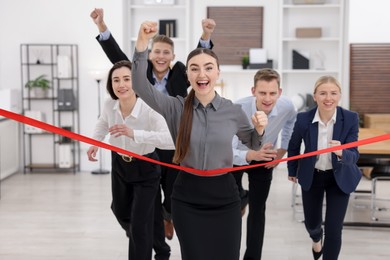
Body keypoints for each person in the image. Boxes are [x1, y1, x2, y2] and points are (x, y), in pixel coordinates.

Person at [131, 21, 268, 260]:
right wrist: (142, 43)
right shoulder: (175, 107)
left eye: (208, 68)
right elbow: (140, 85)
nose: (201, 74)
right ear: (188, 75)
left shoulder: (233, 111)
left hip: (225, 197)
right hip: (187, 198)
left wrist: (259, 129)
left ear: (217, 72)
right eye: (194, 68)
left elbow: (254, 144)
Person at [90, 9, 216, 258]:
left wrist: (205, 35)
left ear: (173, 56)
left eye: (165, 52)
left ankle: (162, 220)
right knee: (137, 209)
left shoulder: (181, 72)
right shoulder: (140, 74)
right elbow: (117, 57)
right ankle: (150, 234)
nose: (160, 56)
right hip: (141, 146)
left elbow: (198, 63)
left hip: (171, 144)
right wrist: (101, 25)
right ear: (149, 54)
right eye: (156, 51)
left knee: (169, 198)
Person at [87, 60, 174, 260]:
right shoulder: (110, 104)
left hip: (146, 168)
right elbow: (102, 123)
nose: (121, 84)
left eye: (127, 79)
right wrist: (95, 143)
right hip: (119, 165)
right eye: (116, 80)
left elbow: (170, 140)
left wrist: (135, 134)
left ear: (136, 82)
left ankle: (148, 242)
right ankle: (161, 247)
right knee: (120, 211)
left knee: (138, 226)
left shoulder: (150, 107)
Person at [287, 75, 362, 260]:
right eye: (323, 93)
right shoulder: (304, 118)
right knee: (312, 223)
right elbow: (294, 145)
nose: (328, 98)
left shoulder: (350, 118)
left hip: (339, 177)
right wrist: (292, 170)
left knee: (334, 229)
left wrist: (341, 152)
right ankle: (315, 237)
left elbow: (354, 155)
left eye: (333, 93)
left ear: (339, 96)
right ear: (315, 96)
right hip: (313, 175)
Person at [232, 68, 297, 260]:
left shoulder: (286, 106)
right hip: (238, 157)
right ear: (253, 91)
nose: (267, 98)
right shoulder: (238, 109)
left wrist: (281, 151)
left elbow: (291, 123)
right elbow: (229, 149)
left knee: (258, 210)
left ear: (280, 92)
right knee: (232, 206)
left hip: (266, 158)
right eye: (262, 93)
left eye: (272, 93)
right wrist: (251, 154)